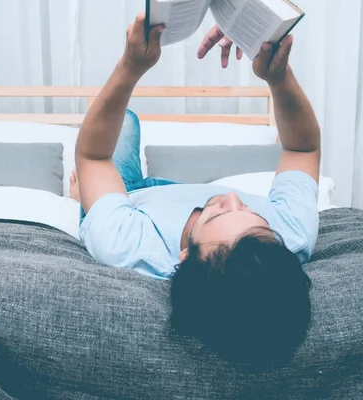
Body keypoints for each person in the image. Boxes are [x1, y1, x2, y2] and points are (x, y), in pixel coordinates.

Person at [71, 14, 320, 366]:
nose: (233, 196)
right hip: (168, 198)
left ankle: (86, 198)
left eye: (219, 210)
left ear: (185, 257)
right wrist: (279, 78)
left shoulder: (127, 246)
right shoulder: (291, 237)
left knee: (123, 123)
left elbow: (93, 155)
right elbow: (302, 149)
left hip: (132, 205)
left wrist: (130, 67)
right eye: (254, 215)